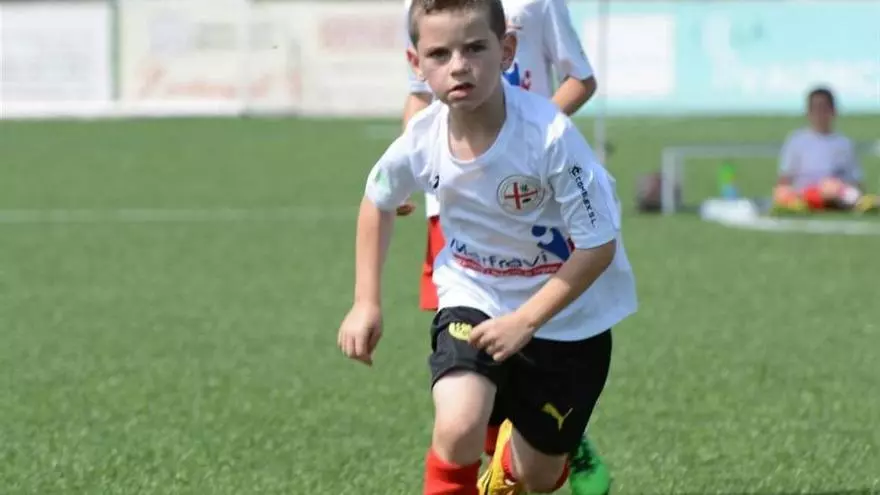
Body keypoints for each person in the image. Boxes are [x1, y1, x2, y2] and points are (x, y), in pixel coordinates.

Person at [337, 1, 637, 493]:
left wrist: (526, 321)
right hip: (474, 291)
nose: (459, 66)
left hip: (567, 317)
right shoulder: (422, 137)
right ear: (417, 64)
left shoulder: (551, 136)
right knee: (458, 424)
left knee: (540, 476)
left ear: (507, 50)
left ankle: (516, 462)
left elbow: (598, 245)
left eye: (475, 48)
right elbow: (377, 199)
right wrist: (365, 301)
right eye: (440, 54)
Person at [773, 87, 878, 214]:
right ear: (808, 112)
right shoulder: (796, 141)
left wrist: (836, 187)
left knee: (845, 192)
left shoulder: (844, 143)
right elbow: (784, 180)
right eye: (815, 109)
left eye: (824, 108)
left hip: (837, 193)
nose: (820, 114)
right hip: (804, 194)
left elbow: (856, 182)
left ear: (833, 111)